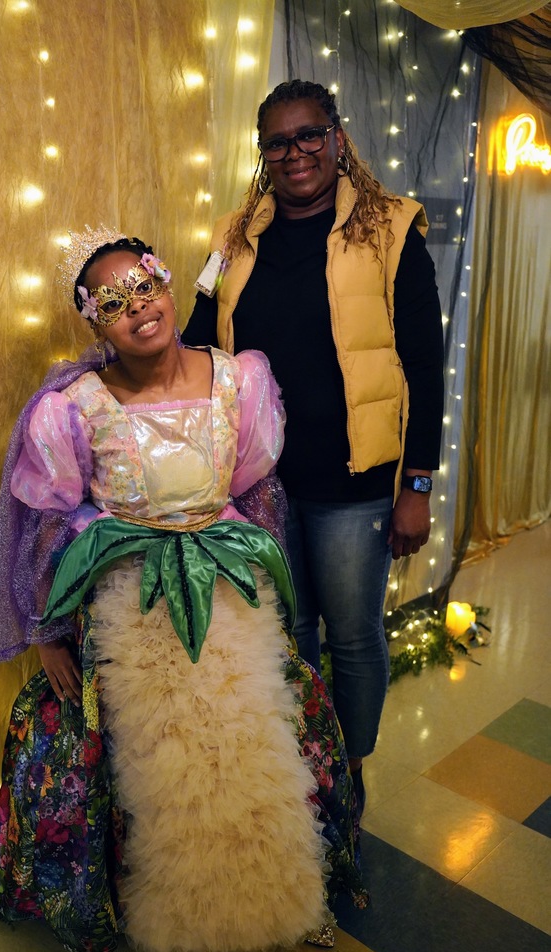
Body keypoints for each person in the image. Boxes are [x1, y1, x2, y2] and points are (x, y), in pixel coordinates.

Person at [0, 225, 367, 952]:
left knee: (253, 746)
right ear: (95, 324)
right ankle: (182, 908)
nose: (138, 307)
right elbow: (47, 525)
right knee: (161, 765)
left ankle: (277, 896)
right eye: (112, 302)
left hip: (228, 594)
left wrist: (266, 599)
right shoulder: (75, 407)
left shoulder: (237, 380)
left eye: (145, 286)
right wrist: (47, 630)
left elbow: (256, 493)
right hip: (131, 605)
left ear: (166, 284)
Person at [183, 80, 445, 813]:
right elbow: (196, 341)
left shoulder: (391, 228)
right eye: (278, 141)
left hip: (353, 482)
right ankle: (301, 770)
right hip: (258, 483)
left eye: (309, 134)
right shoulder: (232, 237)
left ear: (337, 138)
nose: (295, 152)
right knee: (284, 631)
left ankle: (347, 773)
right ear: (262, 153)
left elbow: (424, 367)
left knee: (352, 636)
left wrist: (416, 486)